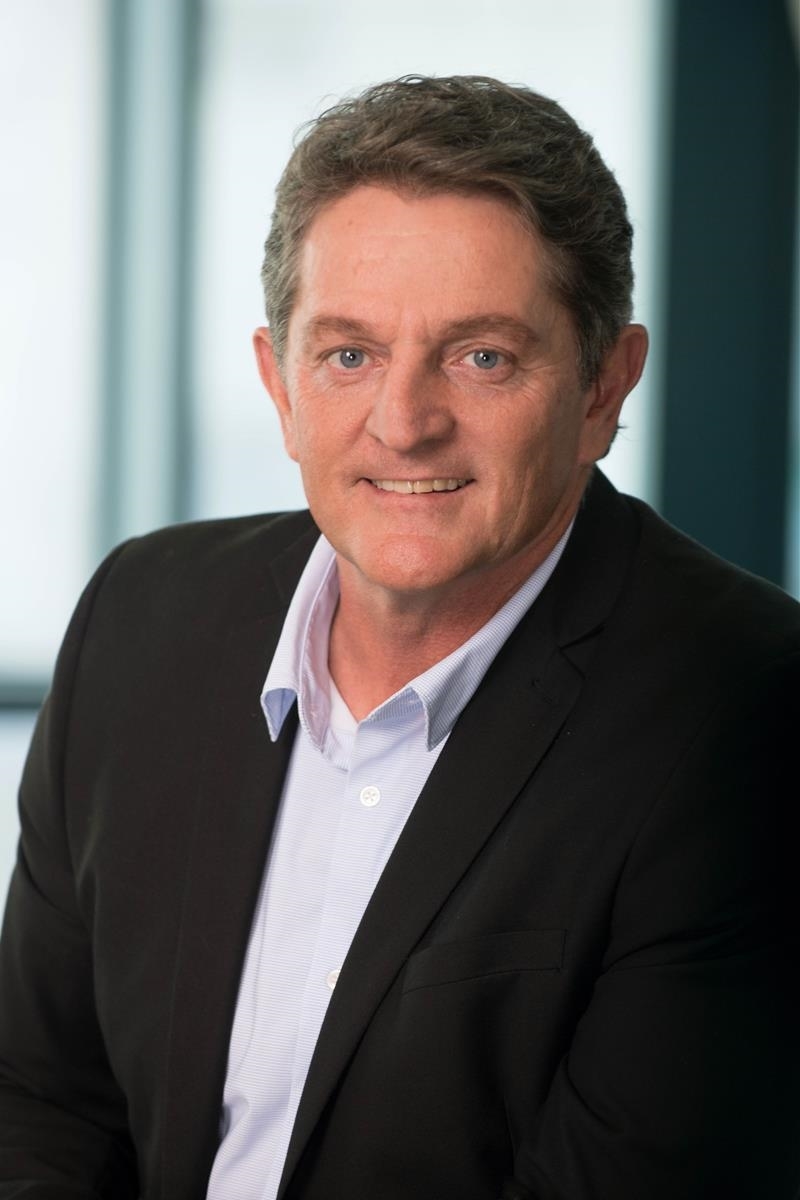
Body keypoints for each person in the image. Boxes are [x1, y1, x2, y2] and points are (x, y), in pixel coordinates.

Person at [0, 74, 798, 1200]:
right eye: (349, 355)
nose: (405, 423)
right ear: (280, 385)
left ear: (602, 389)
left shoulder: (747, 707)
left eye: (482, 356)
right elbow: (37, 1100)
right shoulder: (141, 618)